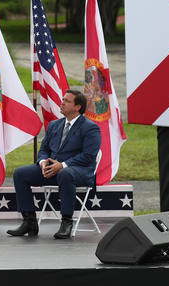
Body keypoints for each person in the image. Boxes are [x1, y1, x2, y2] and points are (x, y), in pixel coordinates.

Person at [7, 89, 101, 239]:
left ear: (78, 107)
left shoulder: (90, 127)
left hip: (78, 173)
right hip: (53, 171)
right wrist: (43, 162)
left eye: (67, 101)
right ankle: (29, 221)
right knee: (20, 173)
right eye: (62, 99)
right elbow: (44, 150)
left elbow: (88, 156)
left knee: (65, 173)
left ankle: (66, 222)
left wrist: (62, 165)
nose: (62, 103)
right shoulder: (54, 125)